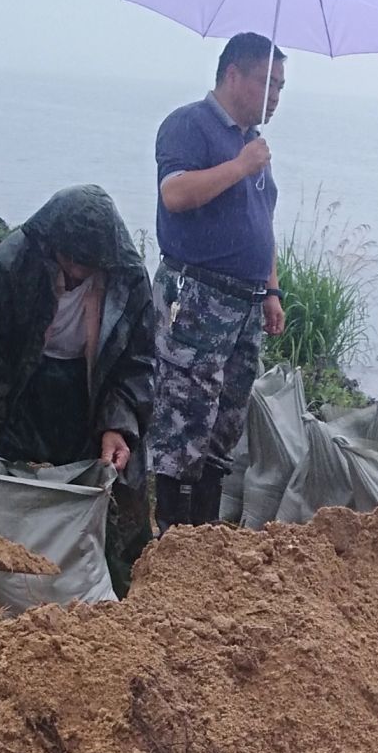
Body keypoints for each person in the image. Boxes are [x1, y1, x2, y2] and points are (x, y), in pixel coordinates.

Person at [0, 186, 156, 595]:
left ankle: (118, 621)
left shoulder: (127, 279)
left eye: (87, 266)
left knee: (118, 512)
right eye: (70, 261)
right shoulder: (11, 264)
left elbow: (136, 365)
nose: (76, 272)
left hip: (89, 395)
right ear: (51, 244)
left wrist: (117, 426)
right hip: (16, 391)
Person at [150, 33, 287, 530]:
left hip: (245, 306)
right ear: (233, 75)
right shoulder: (191, 125)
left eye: (281, 87)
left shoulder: (253, 144)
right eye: (267, 83)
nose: (275, 97)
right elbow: (175, 194)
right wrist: (239, 166)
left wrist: (270, 289)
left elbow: (261, 222)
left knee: (223, 428)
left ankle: (205, 545)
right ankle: (170, 539)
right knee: (184, 422)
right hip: (198, 300)